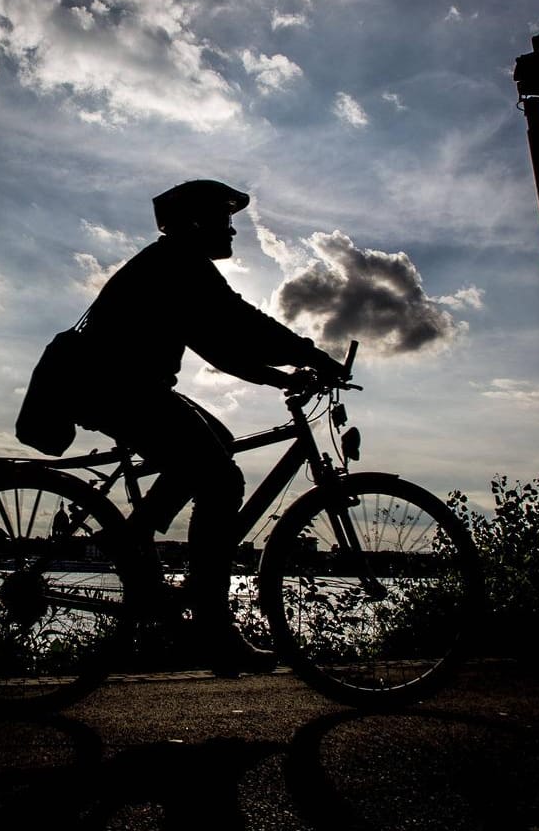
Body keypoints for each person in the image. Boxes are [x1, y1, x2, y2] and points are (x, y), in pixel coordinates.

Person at [70, 179, 348, 672]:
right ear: (196, 223)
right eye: (225, 219)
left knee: (215, 443)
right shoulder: (180, 264)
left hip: (122, 387)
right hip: (120, 389)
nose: (233, 231)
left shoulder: (174, 263)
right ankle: (212, 630)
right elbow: (239, 323)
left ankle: (134, 540)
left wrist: (280, 375)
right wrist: (309, 354)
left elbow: (219, 347)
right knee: (221, 480)